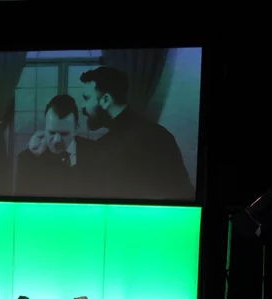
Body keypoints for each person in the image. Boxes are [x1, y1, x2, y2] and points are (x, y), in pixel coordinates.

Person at [78, 66, 193, 201]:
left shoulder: (151, 137)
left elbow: (180, 193)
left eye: (86, 98)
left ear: (106, 100)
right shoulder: (157, 133)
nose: (82, 106)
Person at [15, 94, 96, 198]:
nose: (57, 140)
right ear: (45, 127)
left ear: (76, 128)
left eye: (64, 133)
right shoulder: (27, 160)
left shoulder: (96, 153)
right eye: (52, 132)